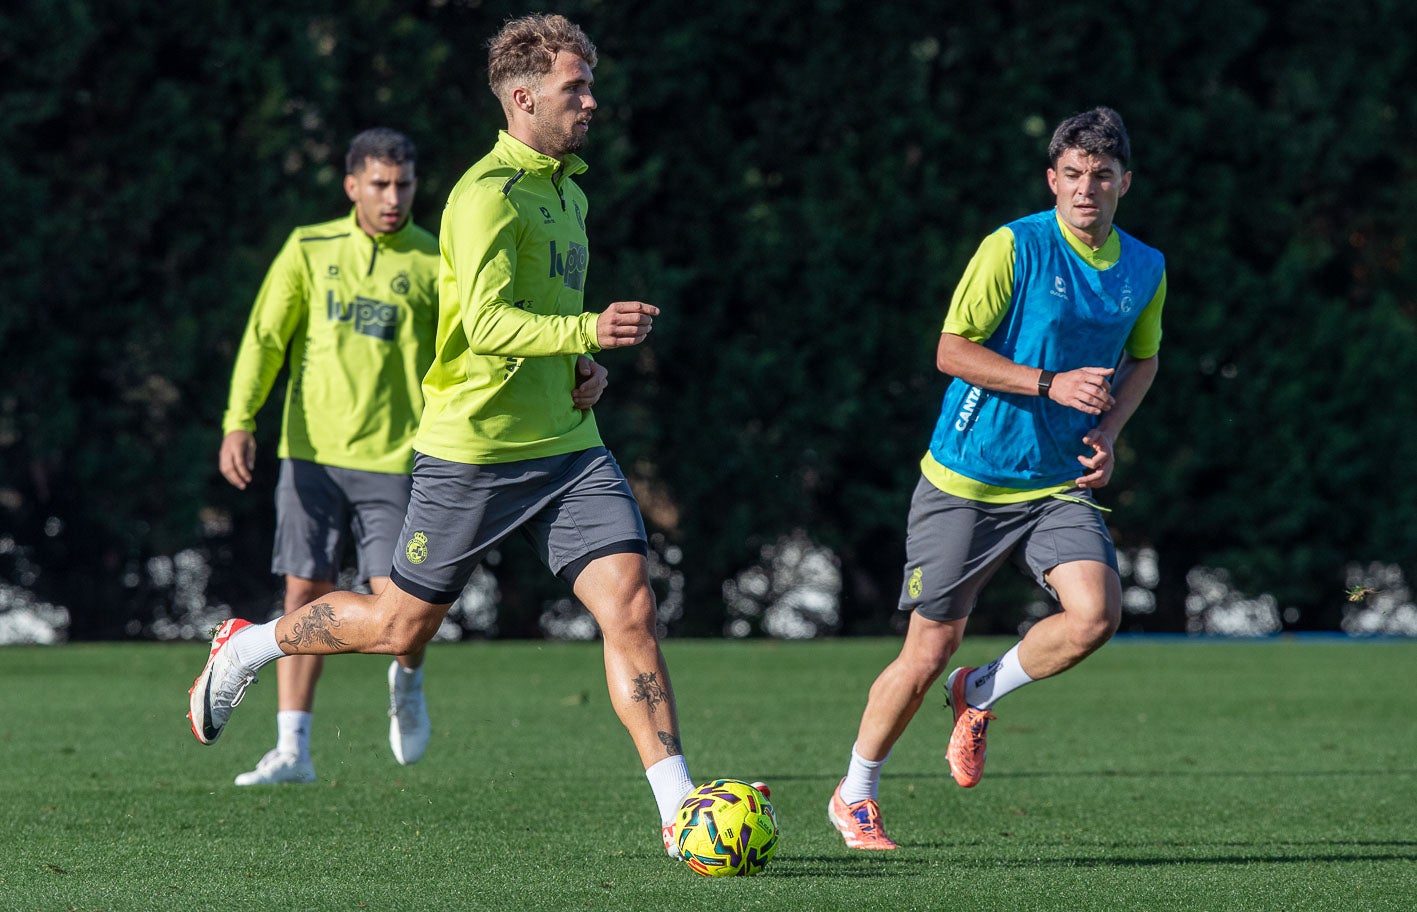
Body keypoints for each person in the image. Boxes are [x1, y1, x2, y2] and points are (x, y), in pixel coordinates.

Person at [190, 14, 694, 856]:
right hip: (473, 453)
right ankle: (251, 646)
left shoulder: (567, 189)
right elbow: (489, 324)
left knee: (631, 605)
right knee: (397, 626)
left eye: (589, 84)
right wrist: (584, 331)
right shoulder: (483, 197)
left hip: (569, 447)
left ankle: (680, 809)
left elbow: (540, 319)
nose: (591, 102)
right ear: (524, 97)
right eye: (576, 88)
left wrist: (582, 368)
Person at [828, 107, 1166, 850]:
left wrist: (1107, 434)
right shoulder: (1013, 246)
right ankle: (854, 793)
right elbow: (950, 350)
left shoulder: (1144, 267)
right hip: (966, 480)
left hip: (1053, 485)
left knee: (1095, 615)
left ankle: (979, 692)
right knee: (923, 653)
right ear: (1052, 179)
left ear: (1124, 184)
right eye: (1072, 175)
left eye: (1101, 177)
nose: (1086, 190)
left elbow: (1142, 359)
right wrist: (1048, 384)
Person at [217, 128, 441, 785]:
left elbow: (464, 353)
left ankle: (407, 681)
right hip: (310, 456)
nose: (393, 197)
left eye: (403, 184)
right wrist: (239, 421)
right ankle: (293, 750)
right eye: (379, 184)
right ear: (352, 187)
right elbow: (265, 337)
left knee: (400, 604)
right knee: (302, 593)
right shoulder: (309, 247)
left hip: (398, 458)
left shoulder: (433, 259)